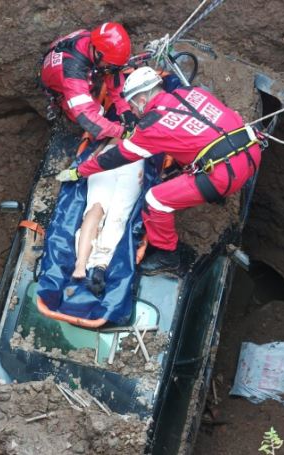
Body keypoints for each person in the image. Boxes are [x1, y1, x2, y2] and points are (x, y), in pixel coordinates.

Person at [56, 66, 263, 275]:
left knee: (155, 200)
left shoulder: (152, 126)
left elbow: (115, 157)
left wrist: (80, 171)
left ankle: (168, 255)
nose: (134, 112)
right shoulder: (191, 93)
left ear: (142, 100)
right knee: (188, 152)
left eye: (133, 106)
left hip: (223, 176)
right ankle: (213, 195)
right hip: (249, 151)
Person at [40, 22, 138, 141]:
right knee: (97, 112)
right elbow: (86, 116)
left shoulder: (95, 42)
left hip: (71, 67)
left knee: (106, 71)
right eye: (111, 65)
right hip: (62, 85)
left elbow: (113, 75)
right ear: (98, 54)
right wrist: (120, 132)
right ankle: (75, 134)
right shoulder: (73, 73)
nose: (112, 69)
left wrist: (125, 110)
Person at [71, 141, 144, 295]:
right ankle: (82, 263)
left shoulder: (154, 122)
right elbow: (105, 132)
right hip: (110, 155)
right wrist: (96, 153)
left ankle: (100, 264)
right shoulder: (120, 120)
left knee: (117, 216)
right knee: (95, 209)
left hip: (134, 159)